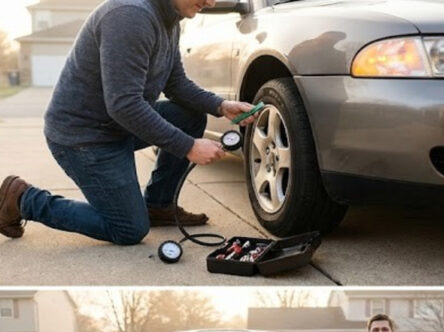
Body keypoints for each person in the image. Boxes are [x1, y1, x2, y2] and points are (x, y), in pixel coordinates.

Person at [0, 0, 256, 245]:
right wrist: (188, 146)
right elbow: (124, 104)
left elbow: (176, 82)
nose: (211, 3)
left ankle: (159, 205)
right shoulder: (130, 15)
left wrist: (220, 106)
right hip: (84, 137)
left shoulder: (170, 20)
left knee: (189, 116)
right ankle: (23, 199)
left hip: (116, 125)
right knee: (128, 228)